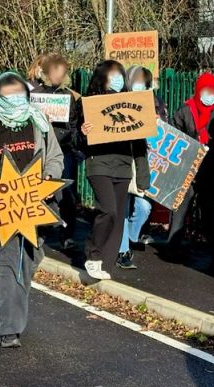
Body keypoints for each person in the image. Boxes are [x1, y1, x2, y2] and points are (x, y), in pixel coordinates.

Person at [0, 72, 63, 347]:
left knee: (28, 263)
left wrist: (49, 177)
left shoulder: (41, 125)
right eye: (7, 97)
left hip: (35, 207)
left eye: (18, 95)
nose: (14, 101)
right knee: (8, 265)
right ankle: (8, 329)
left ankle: (13, 315)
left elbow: (55, 157)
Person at [79, 60, 149, 280]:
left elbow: (139, 143)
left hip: (123, 166)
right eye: (112, 75)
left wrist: (143, 177)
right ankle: (93, 255)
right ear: (102, 78)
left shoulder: (132, 104)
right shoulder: (88, 104)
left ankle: (105, 264)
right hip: (98, 164)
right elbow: (76, 142)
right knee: (108, 210)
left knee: (118, 217)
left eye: (120, 75)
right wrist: (83, 133)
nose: (117, 79)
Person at [171, 72, 214, 272]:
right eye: (205, 91)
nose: (209, 95)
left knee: (211, 213)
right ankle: (173, 249)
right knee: (180, 209)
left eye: (213, 91)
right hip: (186, 169)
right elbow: (175, 136)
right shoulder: (185, 111)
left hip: (211, 172)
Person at [31, 53, 83, 250]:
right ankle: (38, 230)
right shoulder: (35, 95)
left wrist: (70, 135)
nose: (59, 76)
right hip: (40, 150)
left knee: (67, 193)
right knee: (39, 189)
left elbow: (74, 124)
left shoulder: (69, 97)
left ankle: (67, 234)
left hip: (64, 149)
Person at [116, 65, 165, 270]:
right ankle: (122, 250)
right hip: (122, 161)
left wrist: (158, 123)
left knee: (143, 208)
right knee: (122, 209)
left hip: (142, 163)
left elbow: (164, 134)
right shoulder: (119, 100)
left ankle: (126, 239)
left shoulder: (156, 103)